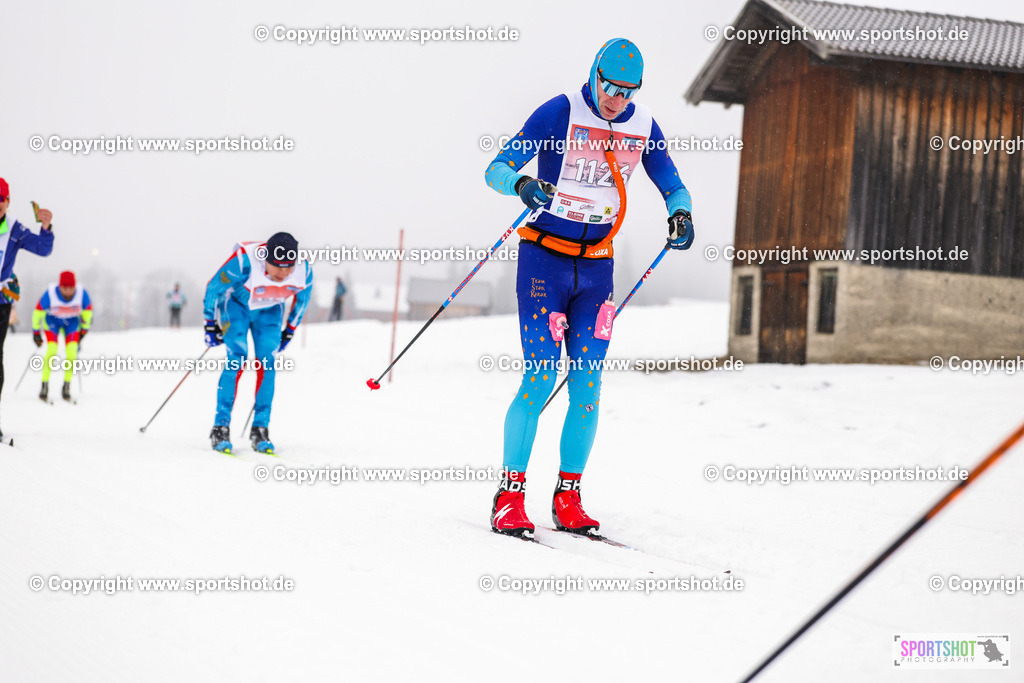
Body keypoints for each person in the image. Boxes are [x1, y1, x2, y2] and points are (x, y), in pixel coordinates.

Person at [483, 39, 694, 538]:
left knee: (587, 390)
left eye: (627, 91)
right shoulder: (560, 112)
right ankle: (509, 496)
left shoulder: (642, 127)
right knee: (538, 379)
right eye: (610, 87)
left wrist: (680, 213)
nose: (617, 98)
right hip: (543, 262)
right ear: (594, 75)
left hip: (597, 270)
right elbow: (496, 169)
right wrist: (522, 186)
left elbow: (673, 184)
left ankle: (568, 496)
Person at [202, 232, 312, 454]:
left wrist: (290, 329)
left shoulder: (304, 271)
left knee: (267, 364)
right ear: (265, 259)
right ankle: (220, 427)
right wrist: (210, 322)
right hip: (237, 307)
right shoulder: (244, 261)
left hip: (269, 311)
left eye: (288, 267)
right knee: (237, 359)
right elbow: (214, 286)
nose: (284, 272)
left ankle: (260, 428)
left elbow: (303, 299)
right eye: (277, 266)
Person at [0, 179, 55, 431]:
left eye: (1, 199)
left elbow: (42, 249)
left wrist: (46, 227)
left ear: (8, 202)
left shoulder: (14, 229)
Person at [33, 271, 92, 402]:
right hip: (52, 321)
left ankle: (66, 386)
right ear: (60, 287)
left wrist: (83, 330)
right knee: (52, 350)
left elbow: (88, 314)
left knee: (72, 353)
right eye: (65, 288)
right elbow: (38, 313)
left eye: (71, 288)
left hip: (71, 323)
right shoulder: (50, 293)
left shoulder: (82, 294)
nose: (68, 292)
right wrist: (36, 333)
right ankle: (44, 385)